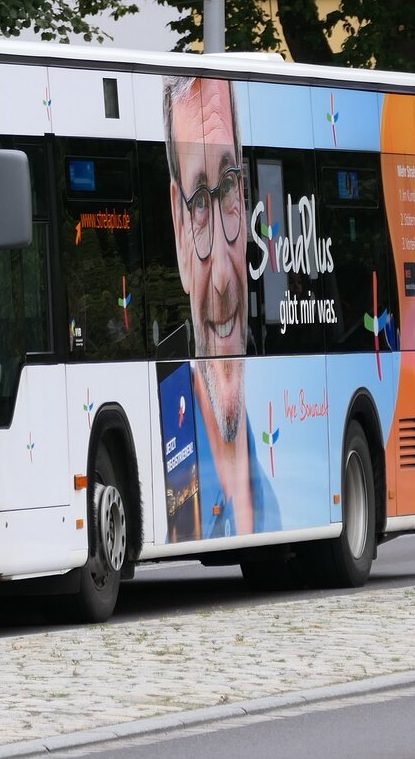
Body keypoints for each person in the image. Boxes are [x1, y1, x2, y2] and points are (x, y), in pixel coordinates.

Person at [164, 75, 279, 537]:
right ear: (177, 225)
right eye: (198, 204)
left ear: (246, 194)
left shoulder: (275, 500)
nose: (226, 281)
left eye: (228, 189)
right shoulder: (172, 463)